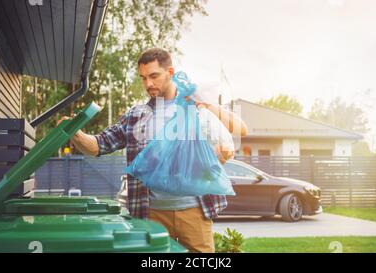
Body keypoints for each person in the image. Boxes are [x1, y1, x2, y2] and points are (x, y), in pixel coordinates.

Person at [62, 48, 248, 252]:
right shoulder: (137, 116)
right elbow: (99, 145)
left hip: (195, 211)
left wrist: (204, 104)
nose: (148, 84)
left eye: (154, 76)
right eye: (143, 78)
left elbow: (240, 129)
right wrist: (75, 132)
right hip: (152, 214)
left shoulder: (197, 109)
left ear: (170, 73)